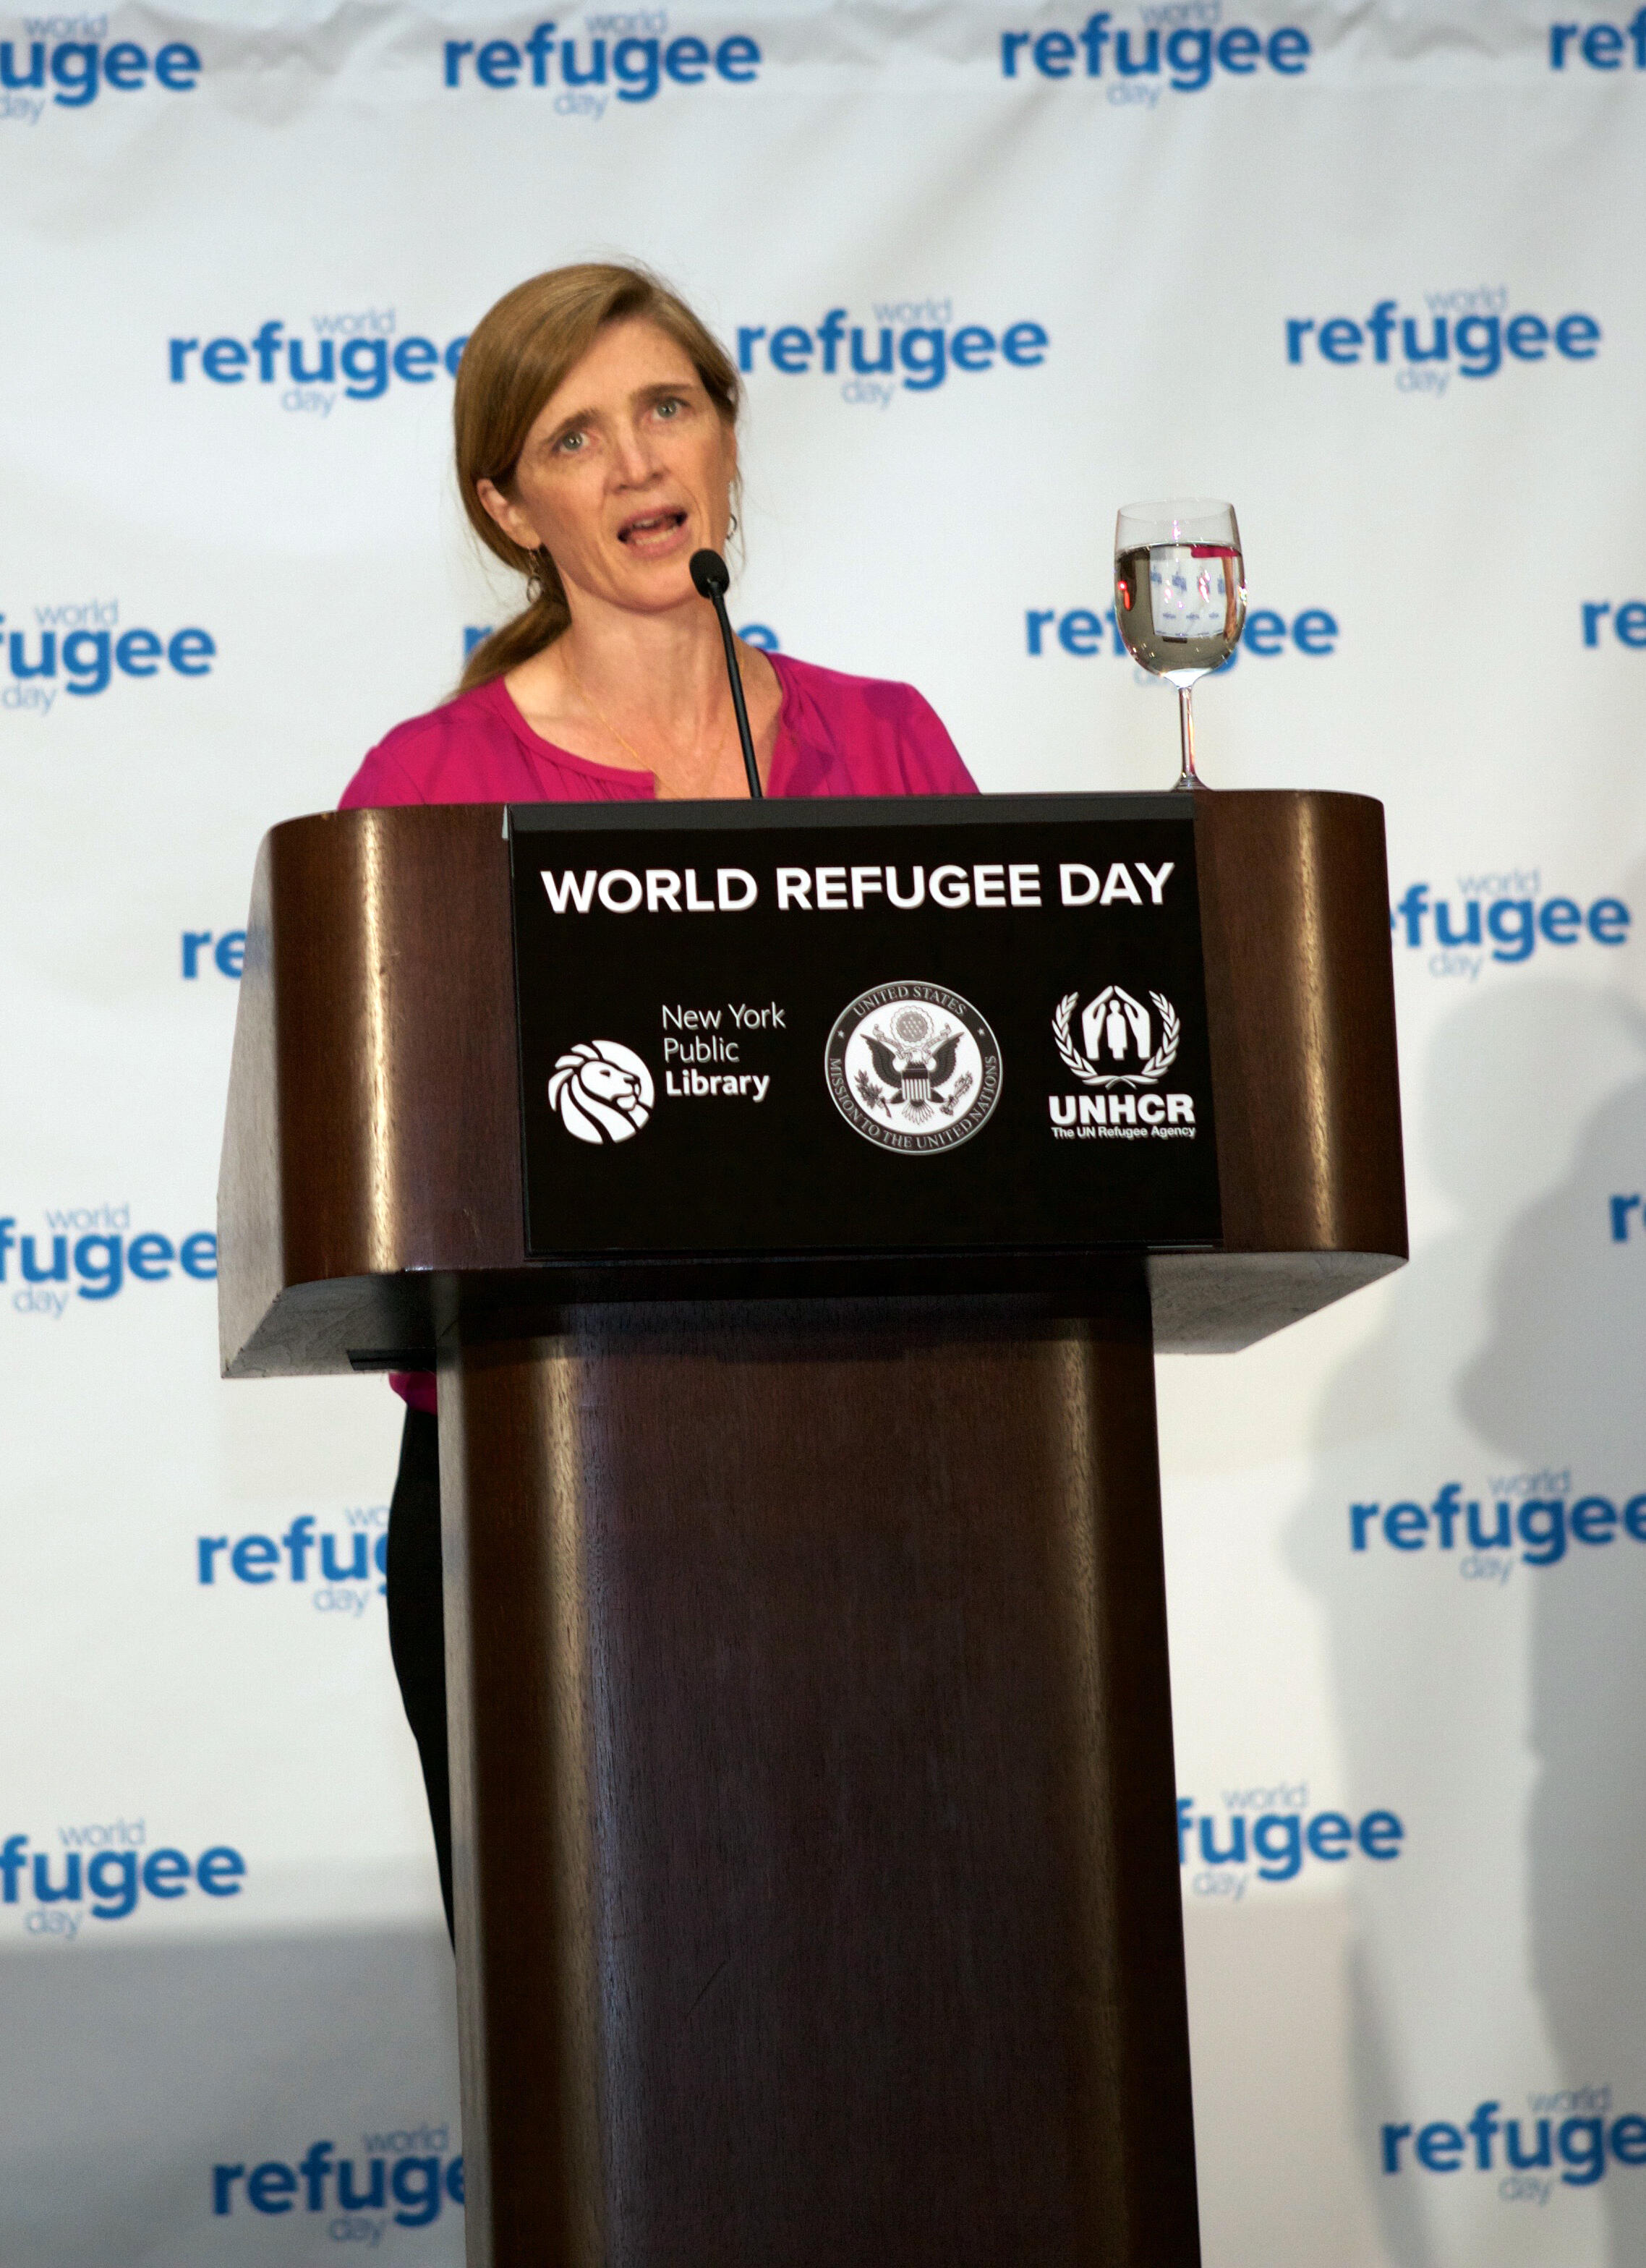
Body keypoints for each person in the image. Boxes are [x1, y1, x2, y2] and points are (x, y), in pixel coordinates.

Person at [339, 260, 977, 1939]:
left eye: (666, 408)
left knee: (902, 1995)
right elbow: (387, 1191)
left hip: (877, 1487)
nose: (634, 464)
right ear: (507, 506)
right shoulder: (429, 784)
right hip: (540, 1494)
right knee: (593, 2036)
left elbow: (1000, 1117)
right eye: (573, 436)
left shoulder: (886, 741)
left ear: (726, 438)